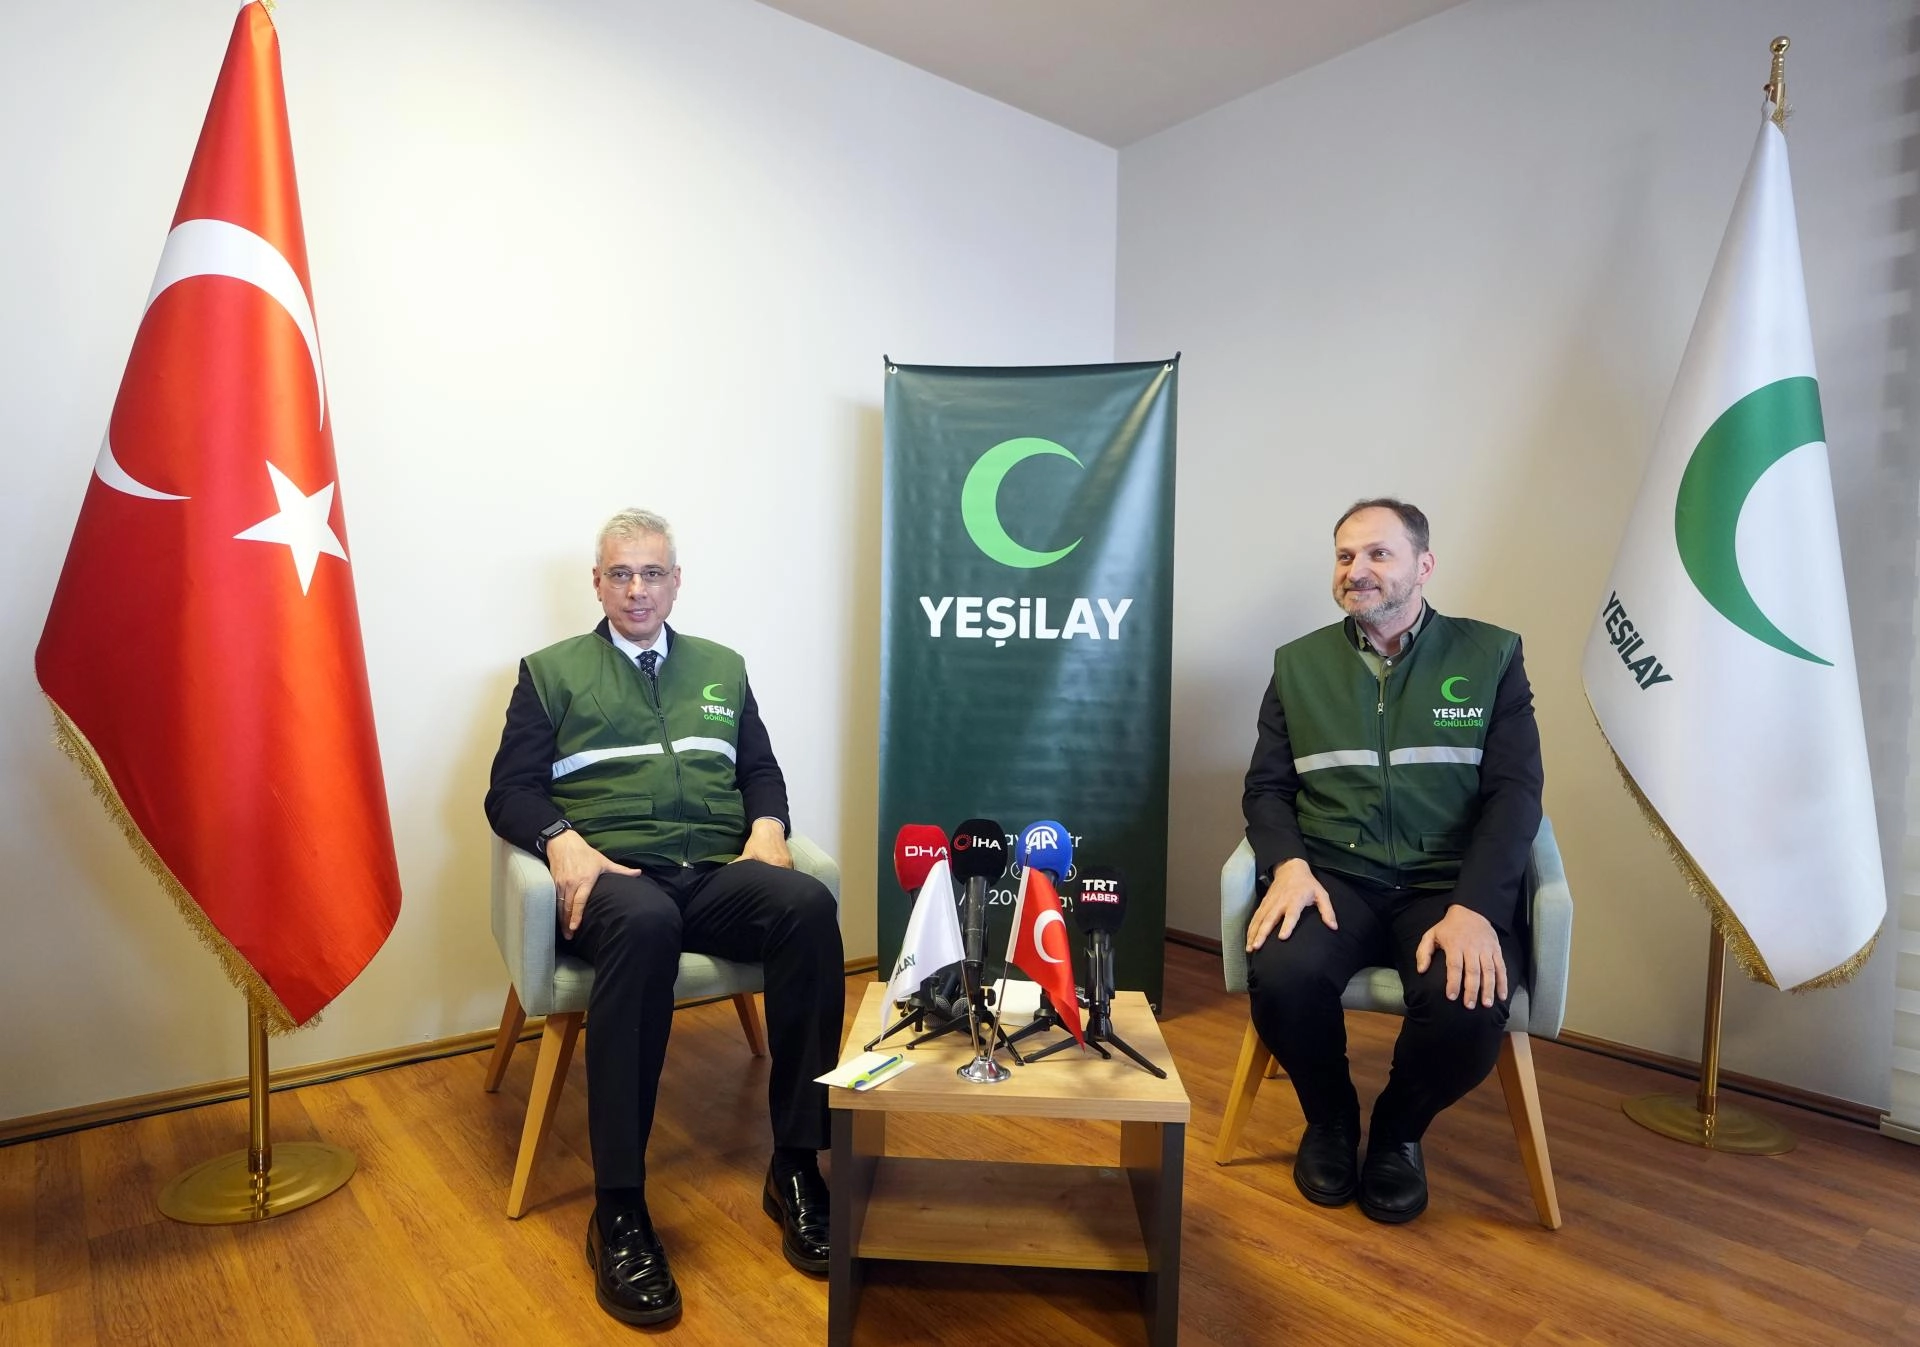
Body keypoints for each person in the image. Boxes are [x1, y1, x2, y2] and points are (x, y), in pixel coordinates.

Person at [485, 508, 845, 1325]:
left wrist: (767, 827)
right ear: (598, 583)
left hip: (714, 873)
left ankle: (796, 1165)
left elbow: (760, 771)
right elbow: (508, 791)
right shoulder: (549, 672)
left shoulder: (723, 667)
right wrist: (561, 841)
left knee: (807, 906)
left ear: (677, 581)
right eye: (621, 573)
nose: (637, 589)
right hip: (618, 878)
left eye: (652, 573)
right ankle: (618, 1208)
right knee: (647, 925)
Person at [1241, 498, 1543, 1224]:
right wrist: (1289, 867)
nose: (1358, 570)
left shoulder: (1490, 656)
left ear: (1423, 565)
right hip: (1333, 878)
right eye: (1346, 556)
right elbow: (1267, 788)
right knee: (1282, 974)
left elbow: (1515, 796)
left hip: (1447, 885)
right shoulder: (1298, 664)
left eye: (1379, 553)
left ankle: (1399, 1131)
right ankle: (1331, 1118)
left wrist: (1477, 907)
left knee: (1468, 1003)